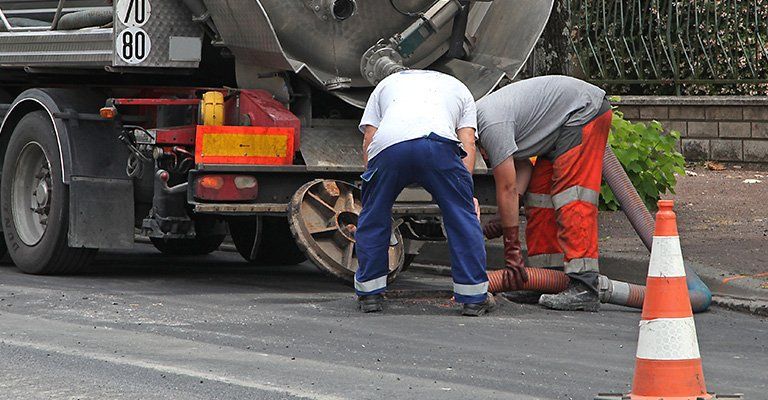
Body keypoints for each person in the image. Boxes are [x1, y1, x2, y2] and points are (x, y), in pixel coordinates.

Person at [354, 69, 494, 316]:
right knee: (461, 218)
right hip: (437, 146)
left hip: (389, 147)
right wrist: (464, 194)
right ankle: (473, 297)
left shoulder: (386, 84)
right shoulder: (460, 87)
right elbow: (468, 142)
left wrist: (373, 184)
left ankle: (370, 295)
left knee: (374, 214)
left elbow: (369, 138)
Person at [476, 75, 613, 311]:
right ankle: (547, 278)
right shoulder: (480, 121)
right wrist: (503, 217)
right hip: (559, 127)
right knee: (539, 197)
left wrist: (512, 252)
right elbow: (523, 168)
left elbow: (507, 187)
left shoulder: (489, 125)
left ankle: (584, 285)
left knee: (572, 195)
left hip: (583, 112)